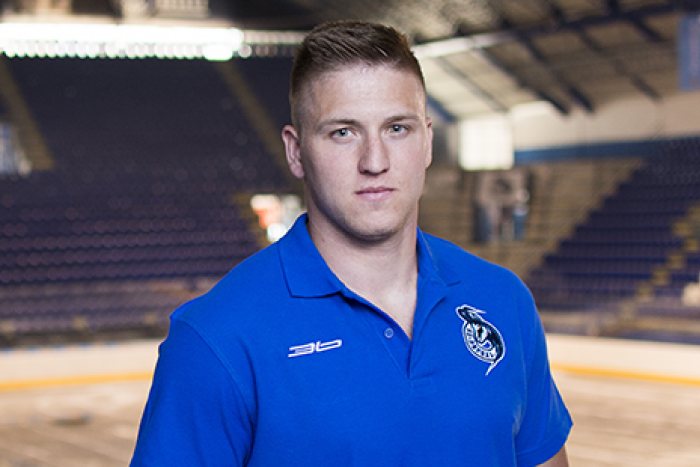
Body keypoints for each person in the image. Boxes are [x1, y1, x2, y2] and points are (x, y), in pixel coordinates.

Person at [130, 20, 572, 466]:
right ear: (296, 152)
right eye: (343, 132)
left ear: (427, 141)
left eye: (397, 128)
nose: (375, 161)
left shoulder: (503, 300)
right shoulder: (215, 339)